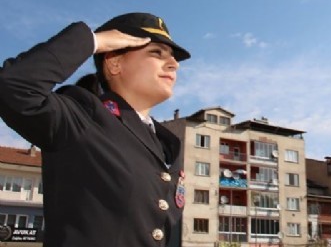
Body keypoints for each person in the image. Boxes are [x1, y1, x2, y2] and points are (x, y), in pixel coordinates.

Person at [0, 13, 190, 246]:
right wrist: (94, 41)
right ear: (114, 63)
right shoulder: (82, 117)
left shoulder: (166, 146)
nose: (174, 63)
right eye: (156, 53)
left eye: (172, 57)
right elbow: (13, 87)